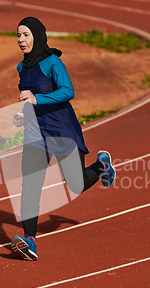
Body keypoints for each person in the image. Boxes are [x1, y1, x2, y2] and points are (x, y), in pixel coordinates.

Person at [10, 17, 116, 261]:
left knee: (76, 184)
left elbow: (69, 91)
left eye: (25, 35)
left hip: (62, 130)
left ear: (37, 35)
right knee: (30, 185)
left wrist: (37, 99)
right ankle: (29, 240)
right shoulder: (21, 68)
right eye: (18, 36)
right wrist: (22, 115)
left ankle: (102, 167)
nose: (21, 40)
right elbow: (28, 101)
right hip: (36, 133)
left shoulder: (52, 62)